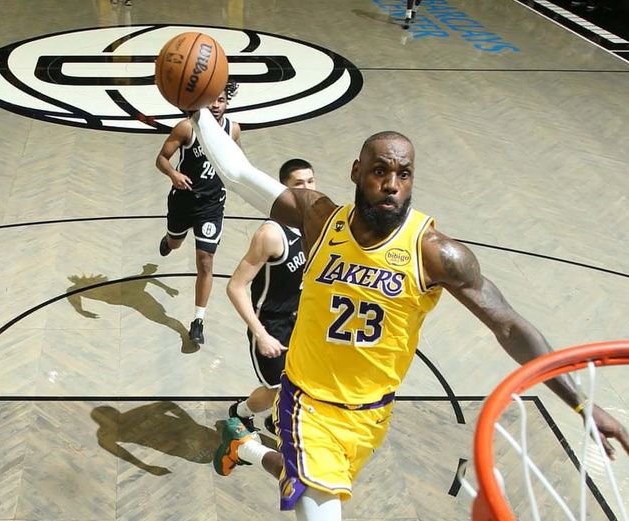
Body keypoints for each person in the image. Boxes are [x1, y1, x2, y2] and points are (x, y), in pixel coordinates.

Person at [188, 108, 629, 521]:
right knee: (316, 499)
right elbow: (238, 172)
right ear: (357, 172)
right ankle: (251, 446)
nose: (392, 184)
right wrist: (200, 109)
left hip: (372, 412)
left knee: (305, 481)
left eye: (403, 174)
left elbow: (509, 325)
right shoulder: (319, 219)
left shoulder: (436, 253)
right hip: (307, 402)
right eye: (380, 171)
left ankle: (245, 446)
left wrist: (581, 401)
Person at [227, 159, 316, 434]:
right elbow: (235, 286)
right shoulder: (271, 234)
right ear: (284, 190)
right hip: (271, 323)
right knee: (274, 390)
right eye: (298, 184)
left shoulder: (314, 224)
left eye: (310, 181)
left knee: (303, 382)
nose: (307, 188)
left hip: (300, 319)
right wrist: (261, 334)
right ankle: (241, 412)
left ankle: (276, 419)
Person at [155, 81, 240, 345]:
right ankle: (169, 241)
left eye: (221, 100)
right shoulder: (186, 128)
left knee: (205, 261)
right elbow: (161, 159)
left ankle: (198, 320)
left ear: (227, 102)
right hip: (183, 201)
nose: (216, 105)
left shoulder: (233, 129)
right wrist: (173, 174)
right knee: (175, 243)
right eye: (211, 100)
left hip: (211, 205)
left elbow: (238, 161)